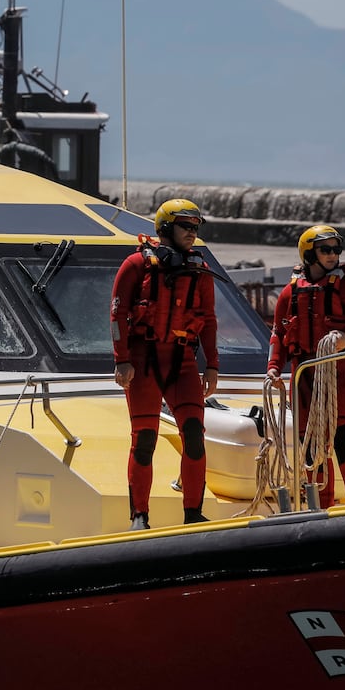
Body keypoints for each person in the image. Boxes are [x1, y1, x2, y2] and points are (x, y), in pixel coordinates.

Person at [110, 198, 218, 530]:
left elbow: (210, 321)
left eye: (196, 227)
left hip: (182, 361)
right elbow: (117, 316)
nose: (192, 233)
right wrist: (122, 360)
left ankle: (192, 514)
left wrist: (211, 365)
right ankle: (139, 516)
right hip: (142, 360)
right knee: (144, 438)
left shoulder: (200, 272)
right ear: (167, 228)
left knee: (194, 434)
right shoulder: (134, 265)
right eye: (186, 226)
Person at [267, 224, 345, 509]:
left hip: (344, 375)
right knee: (312, 447)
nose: (333, 255)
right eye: (326, 249)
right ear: (309, 253)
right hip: (304, 376)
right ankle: (323, 508)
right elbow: (279, 333)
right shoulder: (290, 293)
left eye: (336, 249)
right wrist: (273, 366)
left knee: (344, 439)